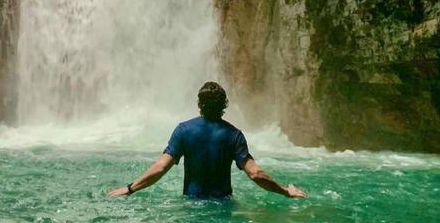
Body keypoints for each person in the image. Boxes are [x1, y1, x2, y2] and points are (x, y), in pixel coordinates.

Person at [108, 81, 307, 199]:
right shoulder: (233, 135)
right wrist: (285, 191)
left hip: (191, 208)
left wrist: (129, 188)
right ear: (224, 105)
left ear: (199, 104)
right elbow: (256, 174)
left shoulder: (183, 130)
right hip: (223, 208)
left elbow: (160, 168)